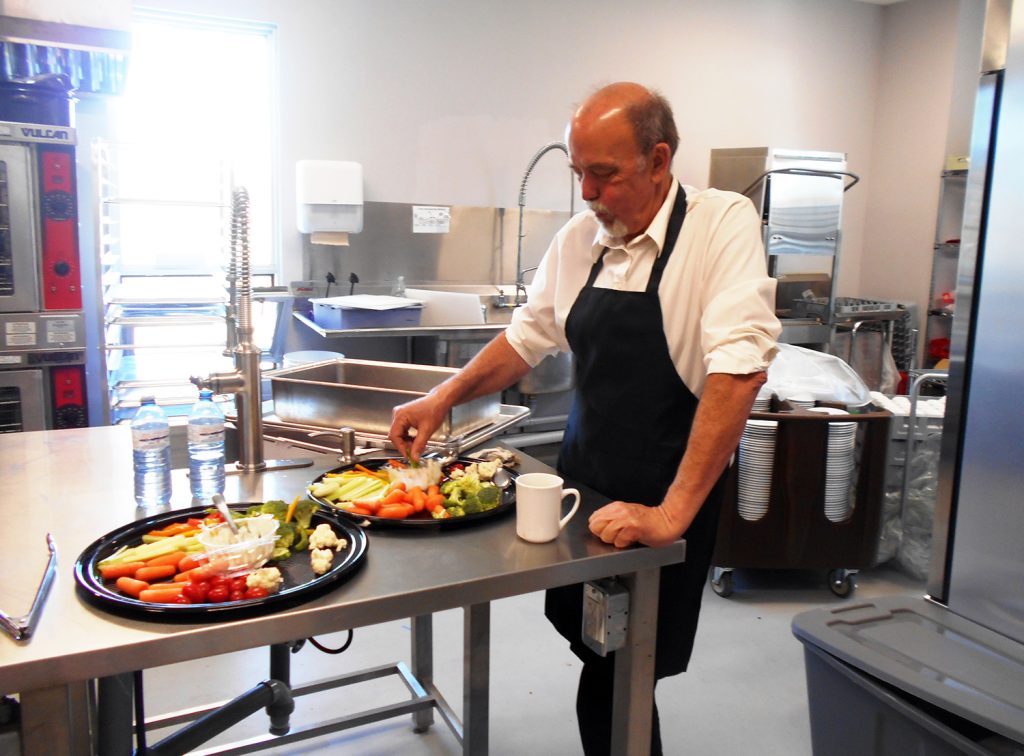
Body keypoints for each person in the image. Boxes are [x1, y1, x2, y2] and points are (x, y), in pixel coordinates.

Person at [389, 81, 780, 754]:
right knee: (603, 656)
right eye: (579, 175)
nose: (589, 194)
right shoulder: (581, 241)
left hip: (666, 490)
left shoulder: (720, 225)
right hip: (586, 485)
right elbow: (525, 338)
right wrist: (442, 397)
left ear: (659, 162)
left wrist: (670, 514)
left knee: (624, 667)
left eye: (605, 175)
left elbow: (739, 368)